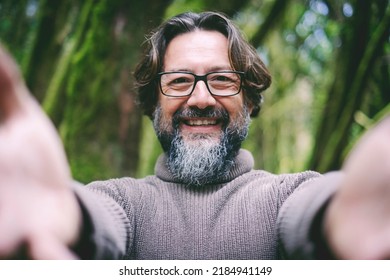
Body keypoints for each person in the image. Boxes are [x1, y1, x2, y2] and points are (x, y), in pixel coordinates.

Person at [0, 11, 389, 260]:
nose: (201, 99)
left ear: (250, 100)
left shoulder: (289, 195)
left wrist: (341, 215)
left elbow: (315, 212)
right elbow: (96, 221)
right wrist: (62, 214)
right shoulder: (122, 202)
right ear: (153, 102)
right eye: (180, 81)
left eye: (221, 79)